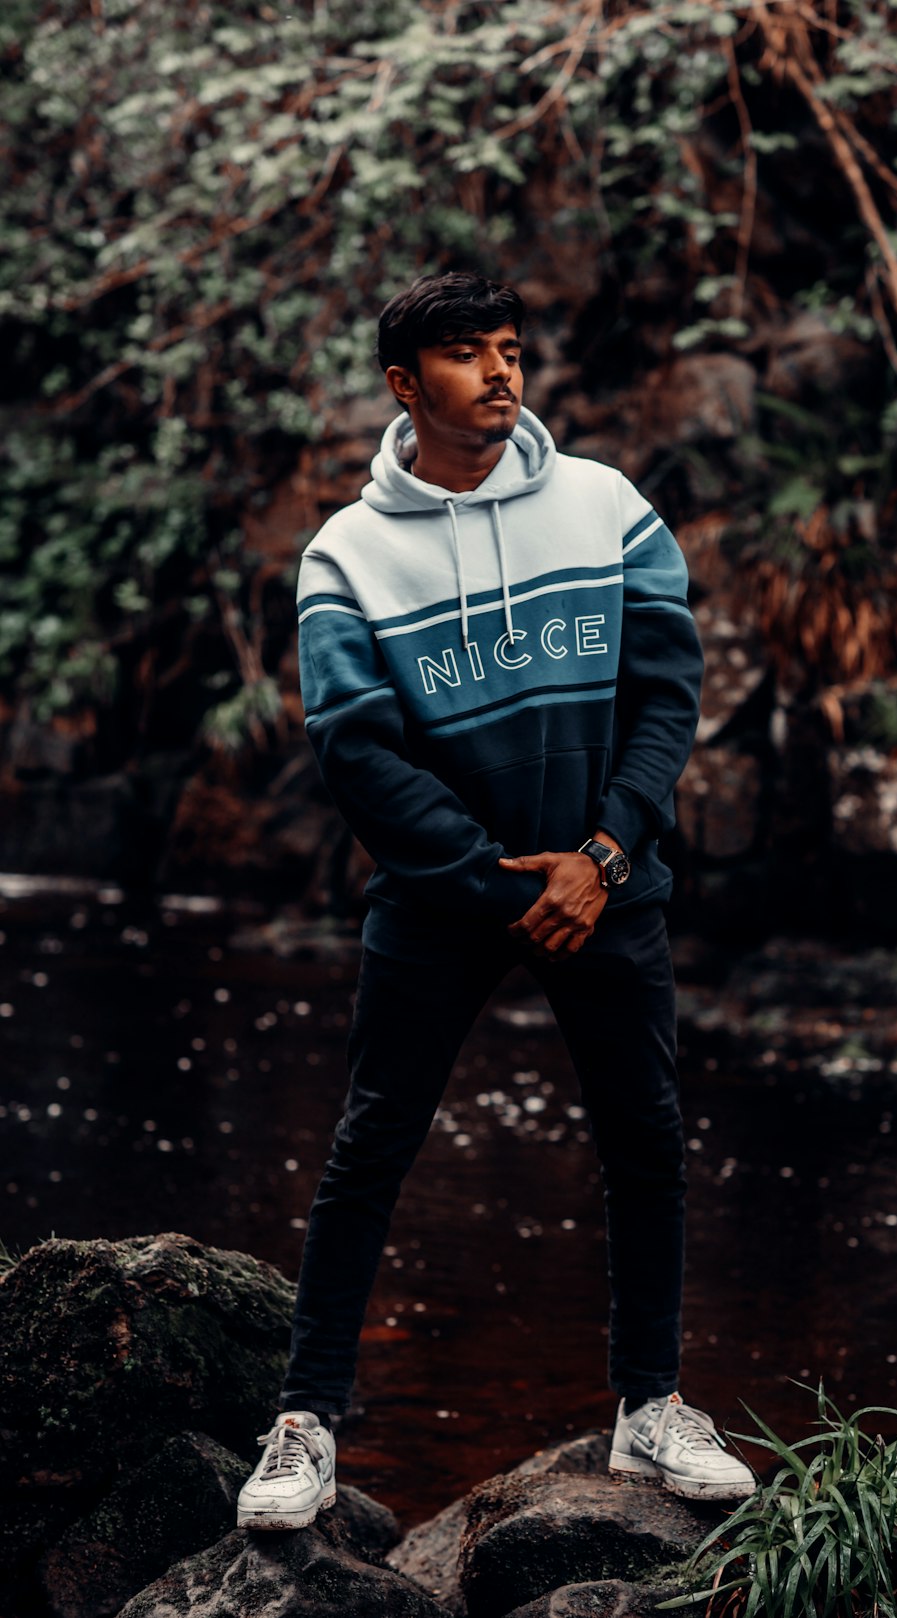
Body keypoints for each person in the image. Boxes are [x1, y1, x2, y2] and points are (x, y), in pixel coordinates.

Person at [236, 271, 754, 1531]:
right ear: (407, 385)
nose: (503, 372)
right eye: (469, 355)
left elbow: (666, 695)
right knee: (372, 1147)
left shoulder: (606, 506)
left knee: (646, 1139)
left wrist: (603, 857)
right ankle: (306, 1423)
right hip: (441, 896)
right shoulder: (345, 553)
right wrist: (488, 883)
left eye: (512, 349)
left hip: (604, 878)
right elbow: (355, 748)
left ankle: (649, 1409)